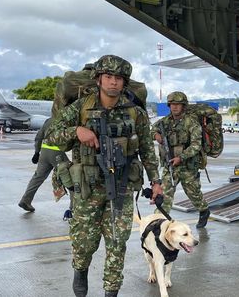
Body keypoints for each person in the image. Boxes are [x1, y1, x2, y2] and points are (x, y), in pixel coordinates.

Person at [45, 55, 162, 297]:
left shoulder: (135, 113)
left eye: (119, 78)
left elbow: (147, 150)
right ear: (99, 79)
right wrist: (77, 131)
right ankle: (80, 271)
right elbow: (51, 134)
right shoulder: (81, 107)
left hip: (121, 187)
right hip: (87, 187)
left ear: (124, 83)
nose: (113, 83)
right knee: (84, 242)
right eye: (108, 77)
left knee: (117, 244)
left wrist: (156, 182)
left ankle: (111, 291)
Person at [151, 91, 210, 228]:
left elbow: (196, 145)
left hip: (188, 165)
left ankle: (204, 210)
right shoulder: (164, 122)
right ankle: (159, 222)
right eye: (172, 104)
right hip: (170, 164)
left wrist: (181, 157)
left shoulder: (192, 123)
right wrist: (156, 135)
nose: (175, 107)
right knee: (165, 195)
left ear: (183, 106)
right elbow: (151, 130)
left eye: (178, 104)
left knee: (193, 193)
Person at [18, 117, 69, 212]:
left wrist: (37, 152)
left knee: (37, 177)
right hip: (57, 152)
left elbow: (39, 136)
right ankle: (74, 207)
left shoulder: (49, 120)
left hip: (44, 151)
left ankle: (25, 200)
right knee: (71, 177)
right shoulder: (67, 118)